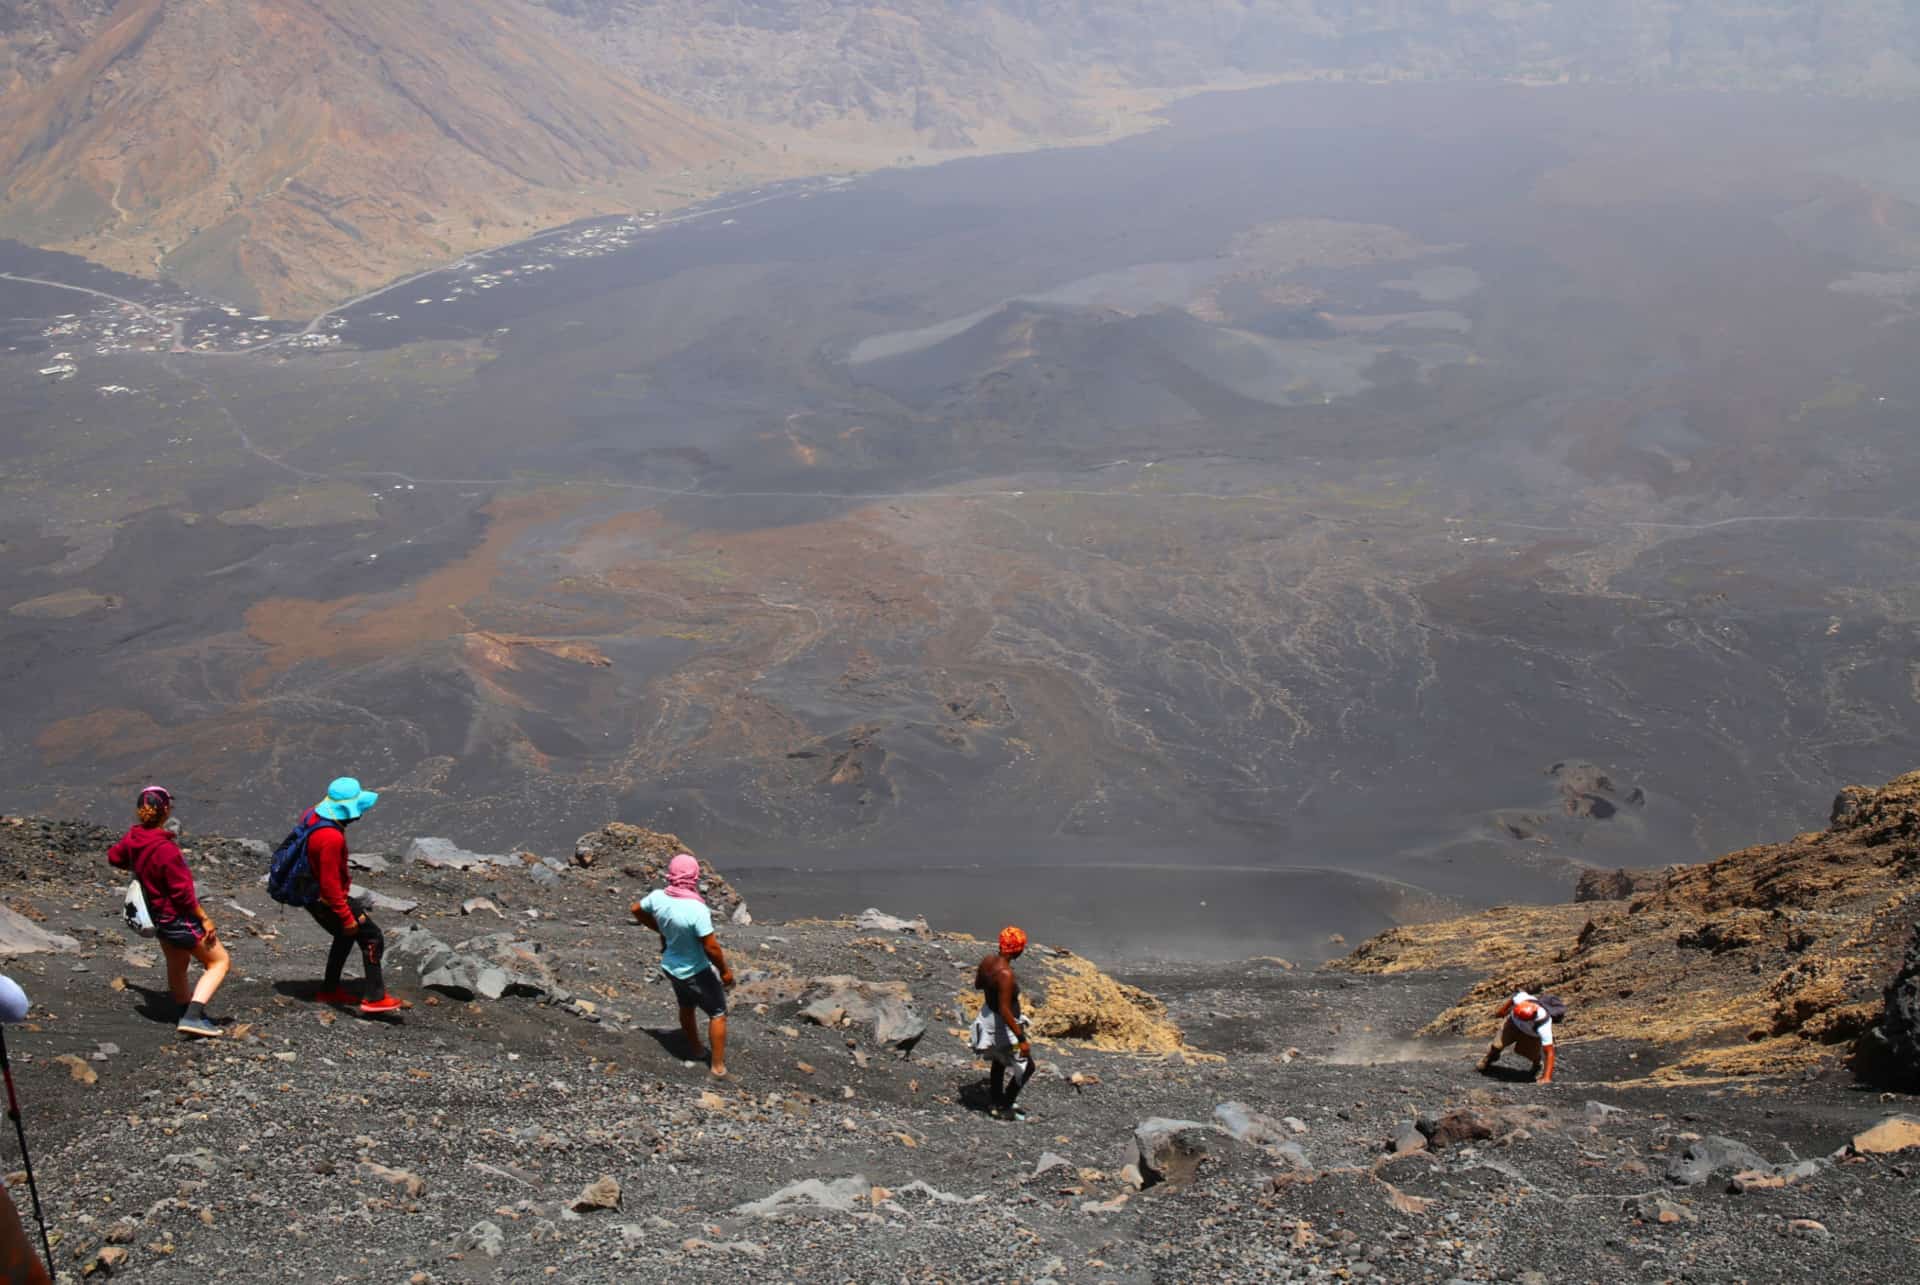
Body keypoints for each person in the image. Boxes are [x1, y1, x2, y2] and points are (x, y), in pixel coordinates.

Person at [107, 787, 229, 1038]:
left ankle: (184, 1010)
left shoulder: (134, 838)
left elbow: (114, 857)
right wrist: (205, 919)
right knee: (219, 962)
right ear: (165, 811)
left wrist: (140, 866)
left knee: (178, 962)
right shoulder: (166, 849)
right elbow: (182, 895)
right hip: (175, 917)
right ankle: (193, 1017)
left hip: (154, 916)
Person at [299, 777, 403, 1015]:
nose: (361, 814)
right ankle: (375, 998)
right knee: (372, 937)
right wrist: (346, 917)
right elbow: (330, 885)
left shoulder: (313, 816)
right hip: (326, 898)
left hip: (311, 892)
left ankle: (330, 989)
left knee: (344, 936)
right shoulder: (331, 838)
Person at [631, 855, 734, 1077]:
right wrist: (725, 971)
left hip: (671, 966)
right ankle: (717, 1067)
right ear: (694, 877)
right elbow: (712, 947)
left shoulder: (658, 897)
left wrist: (659, 929)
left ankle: (696, 1049)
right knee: (718, 1012)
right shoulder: (696, 909)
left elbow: (636, 909)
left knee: (686, 1005)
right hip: (695, 970)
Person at [971, 925, 1037, 1120]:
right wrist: (1021, 1040)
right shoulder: (1006, 974)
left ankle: (995, 1099)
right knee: (1027, 1066)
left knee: (999, 1061)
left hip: (987, 1017)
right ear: (1017, 949)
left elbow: (977, 985)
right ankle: (1005, 1105)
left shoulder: (988, 961)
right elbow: (1005, 1010)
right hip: (1003, 1026)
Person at [1478, 989, 1556, 1083]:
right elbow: (1514, 998)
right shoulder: (1522, 998)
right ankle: (1488, 1059)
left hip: (1530, 1034)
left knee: (1524, 1052)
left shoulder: (1543, 1024)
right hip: (1512, 1024)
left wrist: (1547, 1077)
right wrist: (1502, 1011)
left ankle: (1537, 1065)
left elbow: (1549, 1052)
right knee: (1497, 1045)